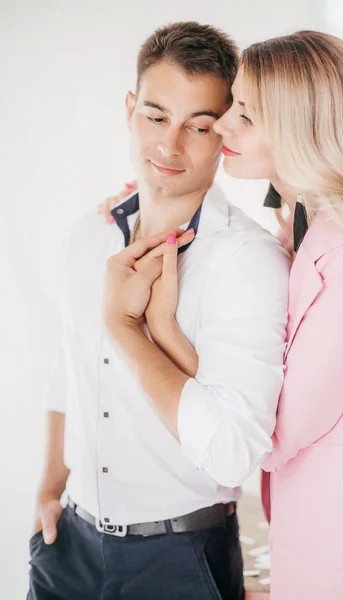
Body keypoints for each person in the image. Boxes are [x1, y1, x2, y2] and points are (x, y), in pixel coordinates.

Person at [109, 30, 343, 600]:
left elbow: (268, 430)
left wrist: (157, 329)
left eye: (246, 113)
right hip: (313, 520)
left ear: (303, 126)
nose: (222, 125)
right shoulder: (305, 228)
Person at [29, 22, 290, 600]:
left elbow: (232, 450)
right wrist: (49, 489)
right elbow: (64, 370)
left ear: (224, 132)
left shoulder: (249, 262)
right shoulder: (89, 237)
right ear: (129, 109)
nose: (170, 147)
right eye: (155, 116)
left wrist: (134, 330)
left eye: (198, 126)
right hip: (65, 550)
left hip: (179, 558)